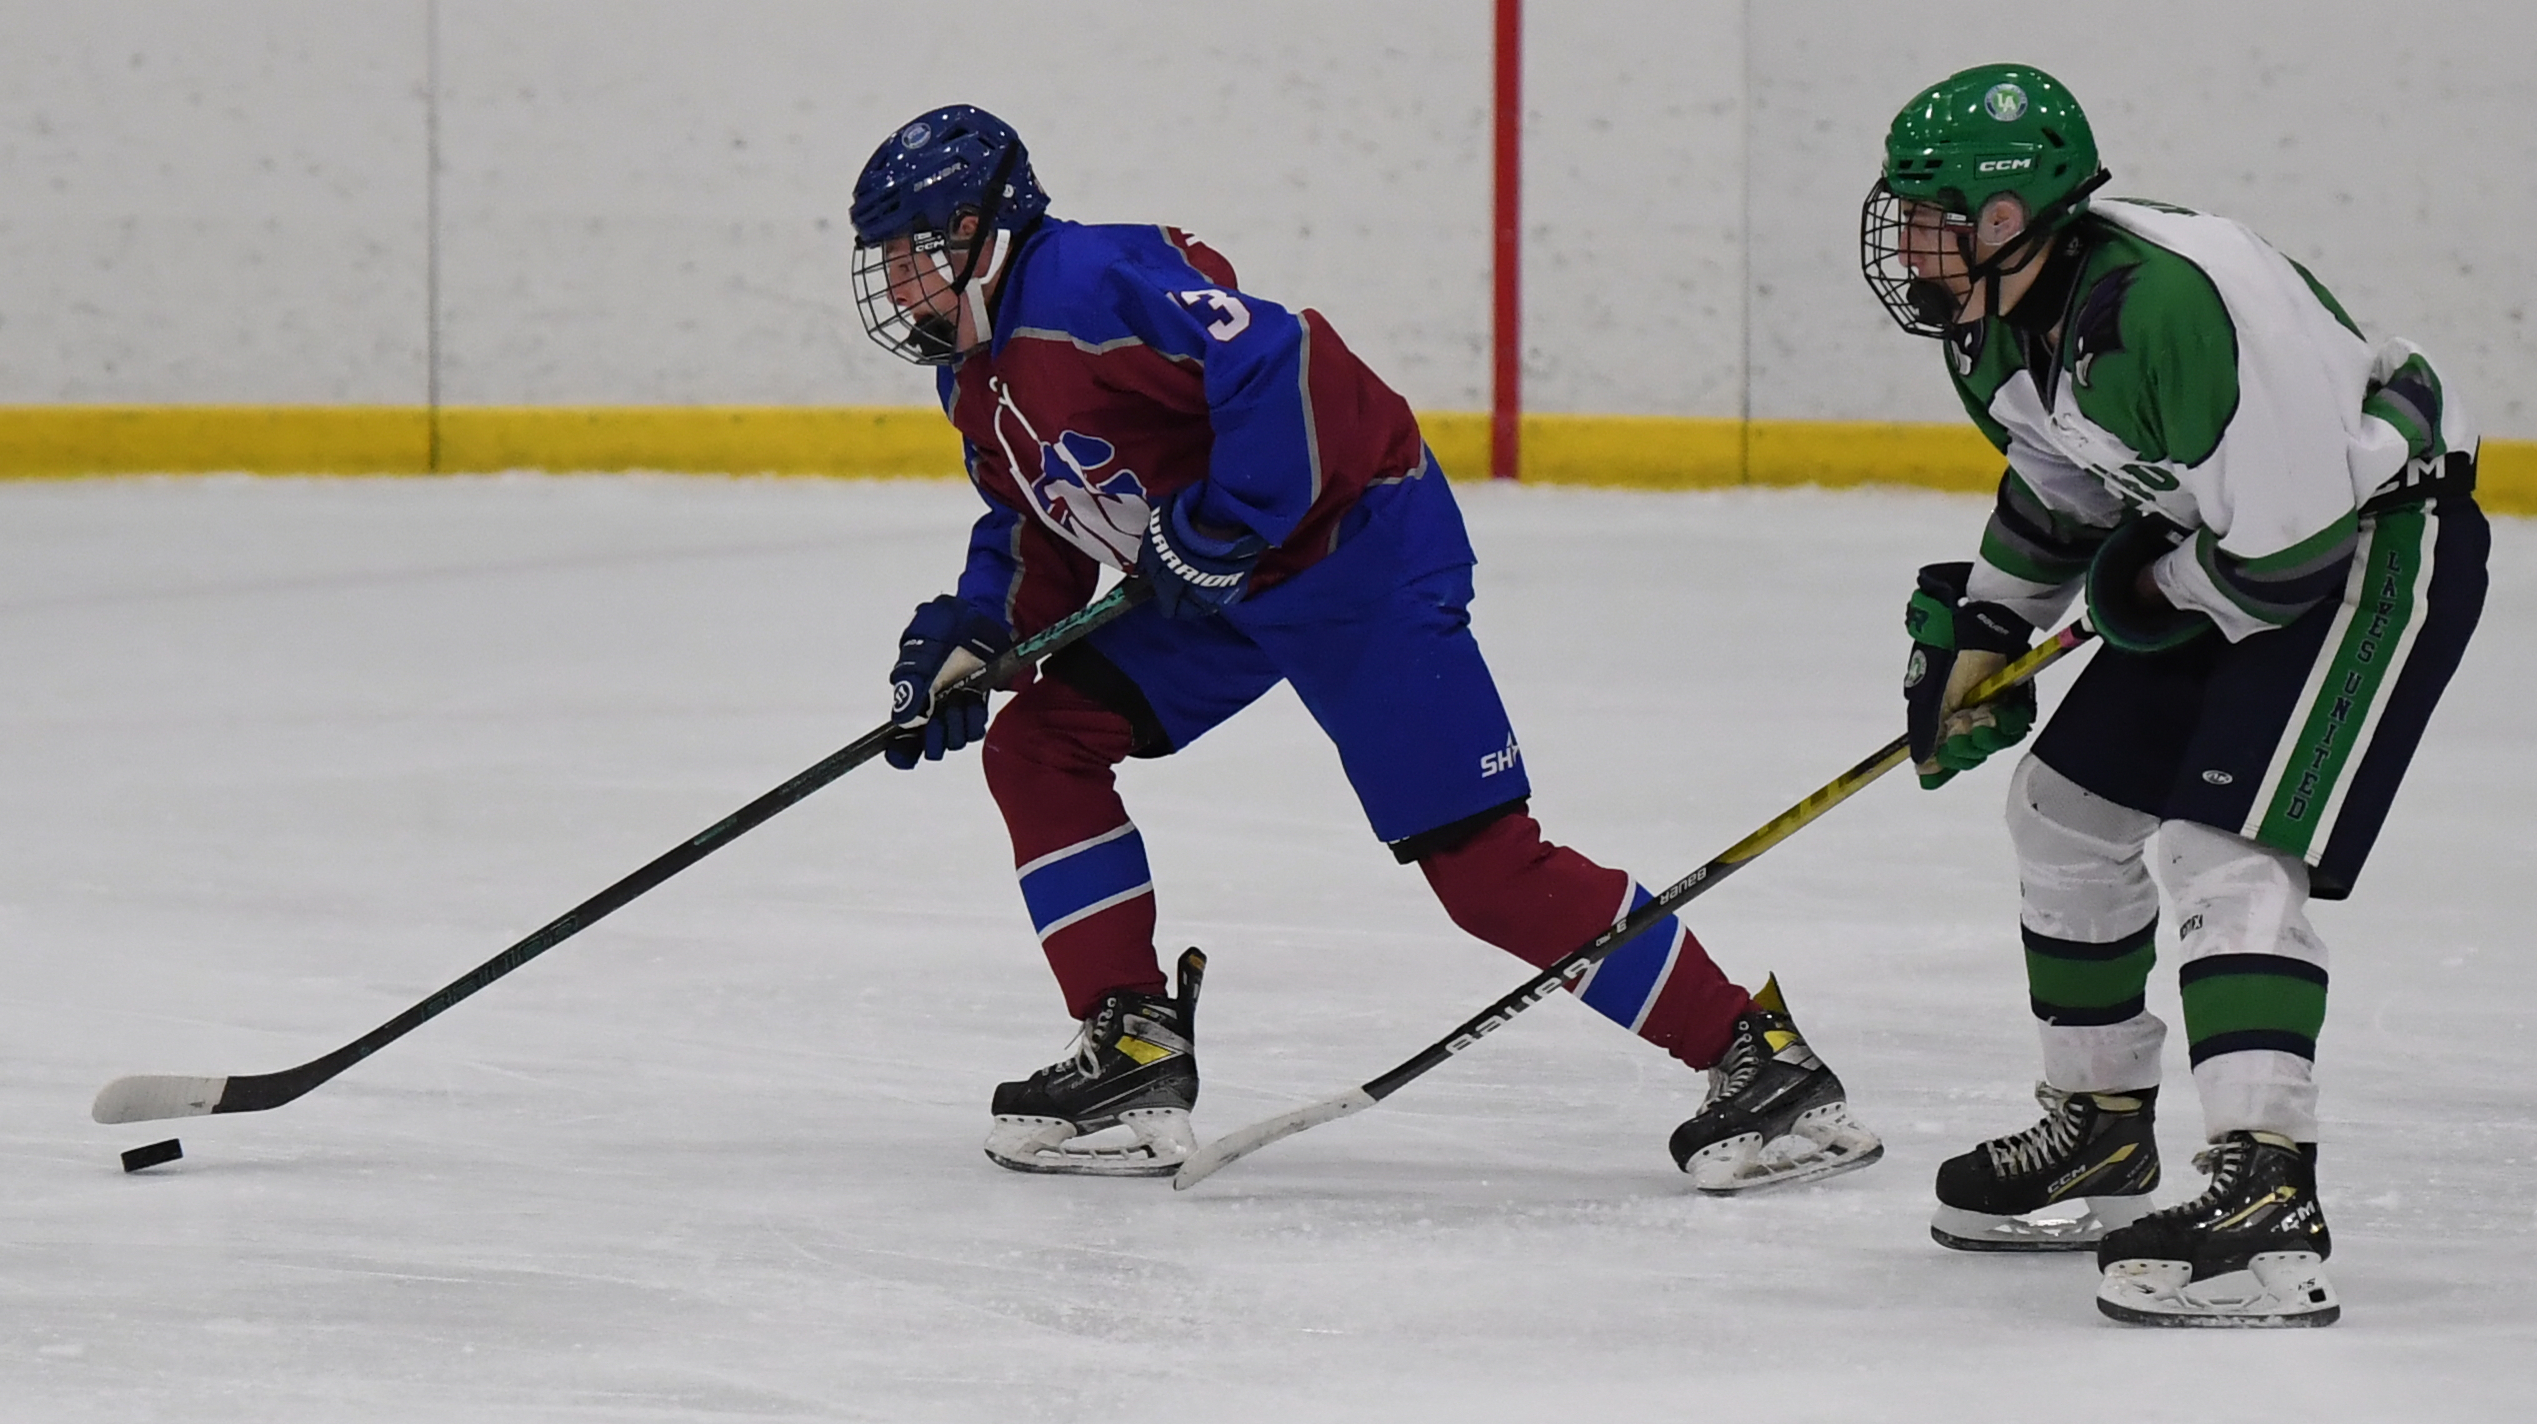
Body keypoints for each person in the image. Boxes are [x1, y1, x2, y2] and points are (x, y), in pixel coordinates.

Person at [846, 104, 1882, 1190]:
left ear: (980, 227)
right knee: (1039, 745)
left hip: (1355, 557)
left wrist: (1223, 521)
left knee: (1483, 869)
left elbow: (1286, 361)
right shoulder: (971, 376)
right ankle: (1132, 1046)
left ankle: (1758, 1059)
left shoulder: (1084, 289)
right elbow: (1032, 531)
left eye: (912, 255)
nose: (899, 286)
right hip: (1228, 588)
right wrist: (973, 636)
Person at [1861, 64, 2486, 1325]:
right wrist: (1986, 628)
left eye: (1934, 216)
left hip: (2363, 549)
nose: (1909, 243)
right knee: (2063, 811)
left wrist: (2150, 595)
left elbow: (2292, 549)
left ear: (2006, 218)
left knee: (2224, 841)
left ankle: (2266, 1194)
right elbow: (2064, 492)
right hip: (2223, 547)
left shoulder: (2169, 308)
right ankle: (2097, 1127)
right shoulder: (1991, 326)